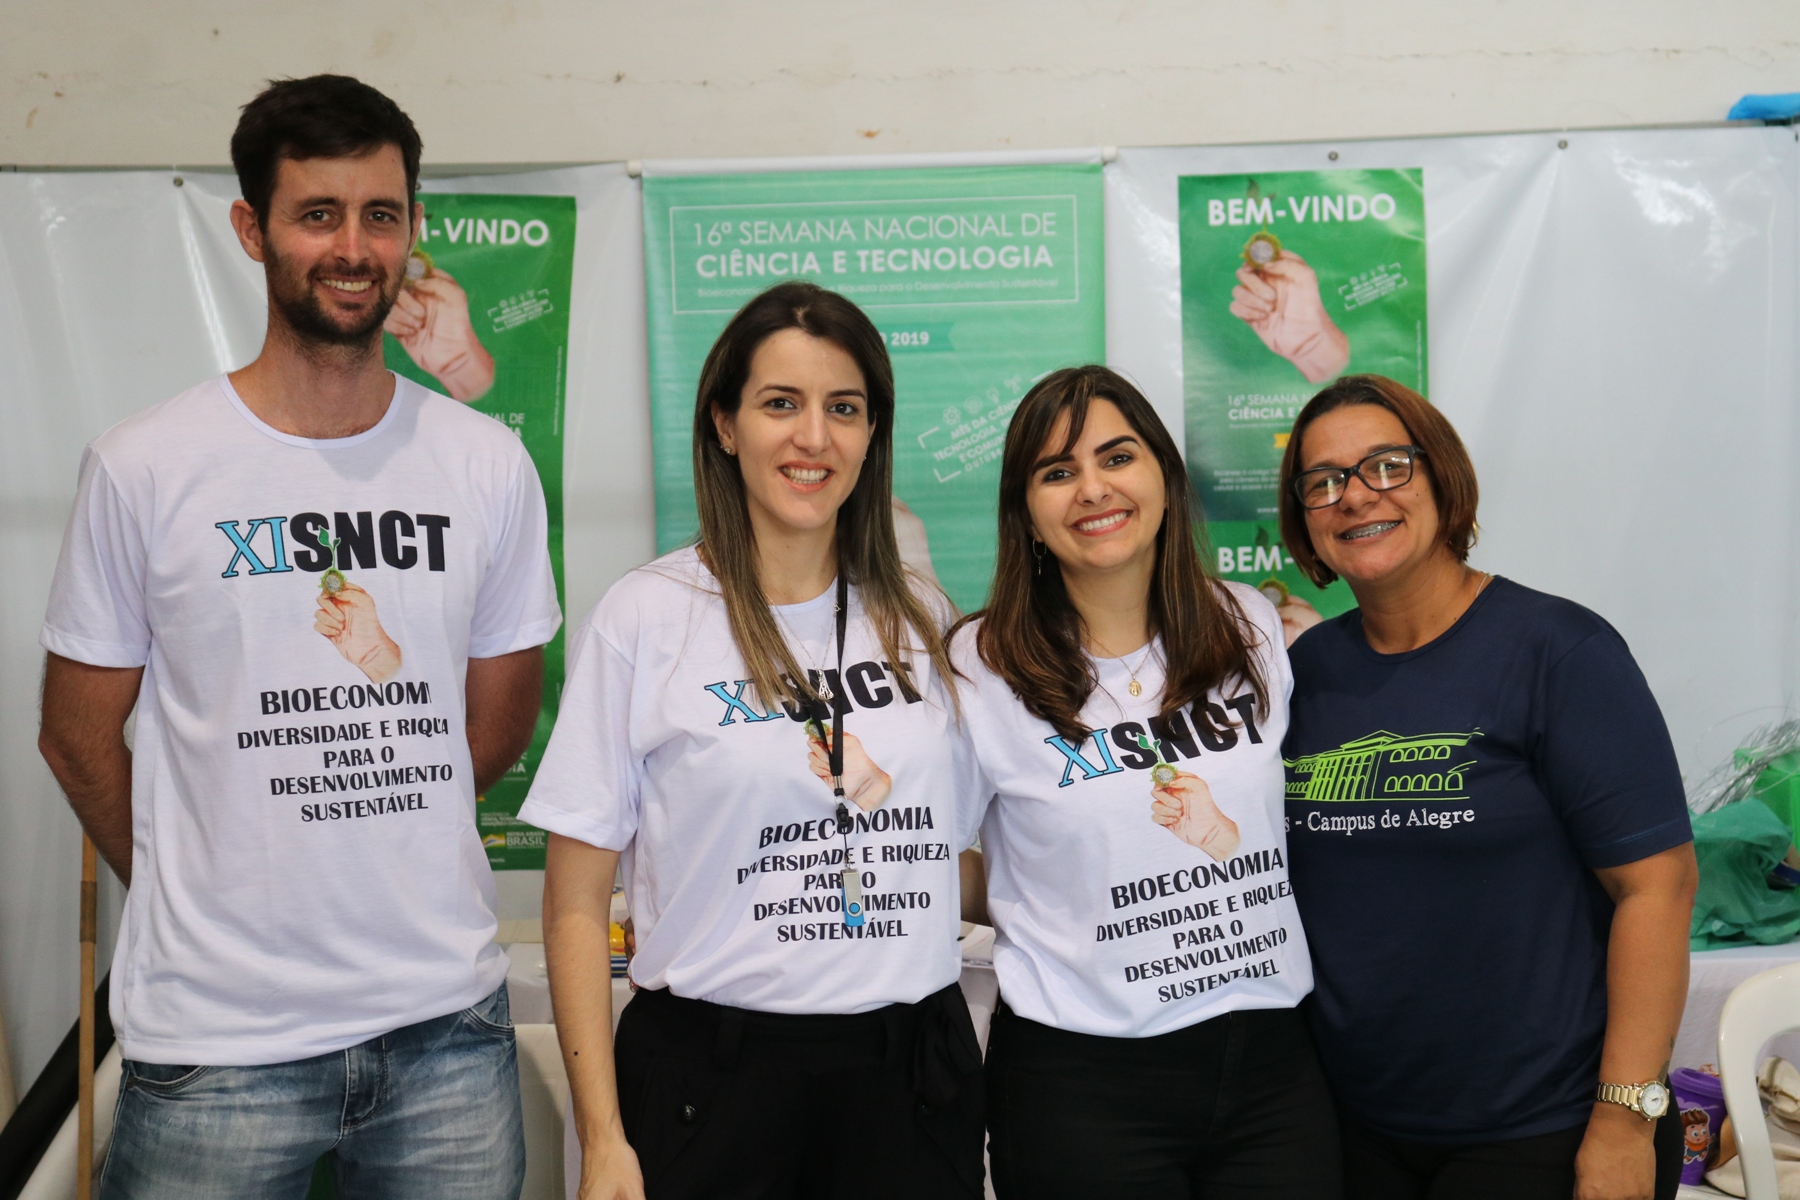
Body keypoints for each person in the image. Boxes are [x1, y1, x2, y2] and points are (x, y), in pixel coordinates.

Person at [36, 75, 560, 1199]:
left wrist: (382, 803)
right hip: (218, 1042)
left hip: (443, 1028)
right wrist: (194, 876)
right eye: (318, 214)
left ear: (413, 229)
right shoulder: (147, 466)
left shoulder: (484, 464)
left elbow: (499, 717)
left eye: (381, 215)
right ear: (252, 229)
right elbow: (76, 735)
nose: (354, 248)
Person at [524, 281, 984, 1200]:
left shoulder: (922, 618)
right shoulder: (648, 615)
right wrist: (603, 1138)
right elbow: (574, 901)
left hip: (908, 1075)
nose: (814, 437)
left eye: (843, 408)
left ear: (872, 435)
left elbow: (956, 851)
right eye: (781, 403)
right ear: (725, 426)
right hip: (715, 1080)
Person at [1277, 374, 1695, 1200]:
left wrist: (1623, 1123)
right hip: (1358, 1130)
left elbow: (1659, 887)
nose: (1354, 496)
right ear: (1306, 521)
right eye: (1322, 481)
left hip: (1545, 1129)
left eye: (1386, 466)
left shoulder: (1558, 651)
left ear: (1442, 477)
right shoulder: (1306, 674)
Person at [953, 365, 1339, 1199]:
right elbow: (928, 854)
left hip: (1270, 1064)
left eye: (1117, 457)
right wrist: (1044, 896)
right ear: (1026, 512)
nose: (1093, 489)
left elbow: (1269, 831)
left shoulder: (1250, 623)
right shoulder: (979, 665)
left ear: (1164, 474)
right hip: (1083, 1081)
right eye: (1057, 472)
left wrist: (1209, 839)